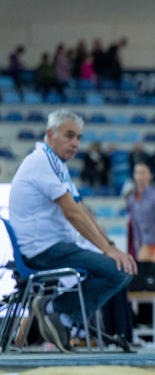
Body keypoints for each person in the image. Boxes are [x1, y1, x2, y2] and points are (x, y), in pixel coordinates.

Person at [9, 109, 137, 352]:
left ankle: (62, 317)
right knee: (119, 270)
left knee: (120, 265)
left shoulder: (56, 163)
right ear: (50, 133)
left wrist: (110, 245)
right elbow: (73, 213)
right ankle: (55, 311)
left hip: (55, 247)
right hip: (42, 251)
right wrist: (108, 251)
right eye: (69, 136)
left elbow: (82, 209)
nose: (76, 143)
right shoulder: (41, 162)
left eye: (78, 137)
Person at [127, 163, 155, 263]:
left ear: (150, 176)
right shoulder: (132, 199)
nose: (140, 176)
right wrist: (139, 246)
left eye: (143, 173)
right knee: (142, 270)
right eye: (137, 173)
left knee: (154, 271)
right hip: (145, 243)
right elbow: (135, 225)